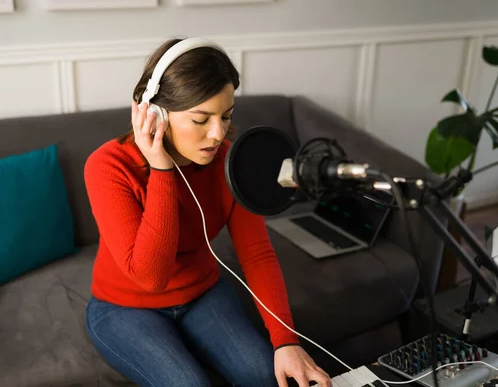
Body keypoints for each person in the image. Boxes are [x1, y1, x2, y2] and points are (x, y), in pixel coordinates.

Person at [84, 37, 331, 387]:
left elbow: (257, 254)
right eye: (200, 119)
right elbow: (151, 277)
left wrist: (285, 340)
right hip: (123, 308)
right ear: (154, 113)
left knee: (265, 375)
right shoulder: (108, 166)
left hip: (203, 294)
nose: (217, 135)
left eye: (225, 116)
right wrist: (162, 170)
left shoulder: (231, 161)